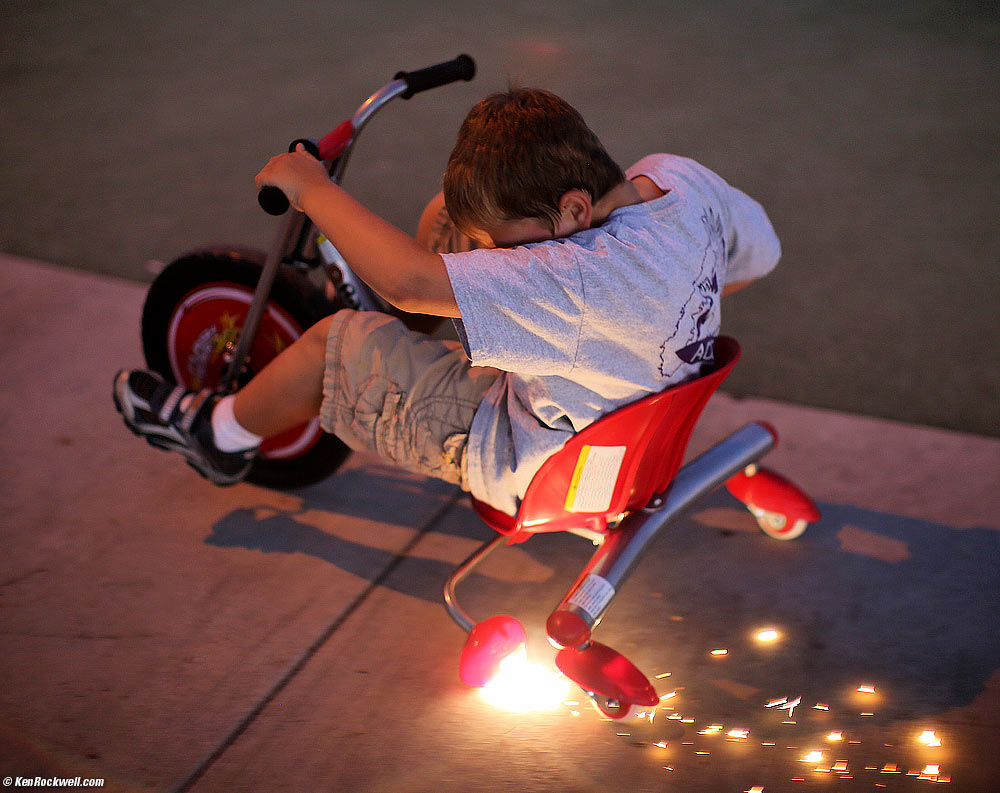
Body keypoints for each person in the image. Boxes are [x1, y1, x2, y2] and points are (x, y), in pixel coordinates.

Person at [114, 88, 780, 516]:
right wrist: (658, 309)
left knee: (336, 344)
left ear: (574, 207)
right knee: (446, 221)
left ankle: (217, 435)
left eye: (504, 245)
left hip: (536, 460)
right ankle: (436, 328)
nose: (491, 249)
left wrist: (311, 188)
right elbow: (761, 254)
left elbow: (411, 282)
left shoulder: (578, 282)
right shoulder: (678, 180)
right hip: (619, 408)